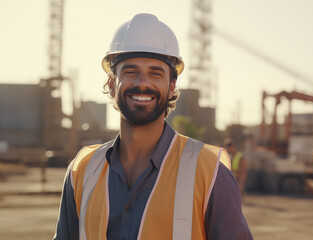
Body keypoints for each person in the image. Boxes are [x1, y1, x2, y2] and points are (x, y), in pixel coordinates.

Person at [54, 13, 253, 240]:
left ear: (171, 87)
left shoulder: (210, 173)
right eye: (130, 72)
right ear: (111, 84)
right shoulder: (82, 170)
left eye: (155, 73)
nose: (142, 83)